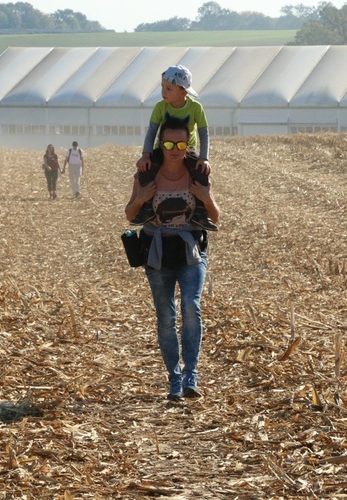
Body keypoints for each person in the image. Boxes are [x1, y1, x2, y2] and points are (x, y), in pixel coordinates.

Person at [125, 115, 221, 402]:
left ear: (188, 143)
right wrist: (141, 197)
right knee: (166, 317)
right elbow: (130, 215)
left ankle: (191, 374)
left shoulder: (198, 173)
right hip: (158, 254)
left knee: (191, 307)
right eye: (168, 142)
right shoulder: (147, 173)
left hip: (191, 251)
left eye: (181, 142)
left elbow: (216, 217)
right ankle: (174, 379)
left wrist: (205, 197)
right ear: (160, 144)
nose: (175, 148)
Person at [132, 65, 216, 231]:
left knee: (201, 173)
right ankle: (147, 209)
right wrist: (146, 155)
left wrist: (204, 158)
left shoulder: (195, 108)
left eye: (169, 88)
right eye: (162, 87)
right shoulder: (160, 107)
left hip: (188, 149)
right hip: (162, 148)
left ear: (183, 92)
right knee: (145, 170)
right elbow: (151, 132)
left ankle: (200, 212)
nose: (164, 92)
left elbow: (203, 133)